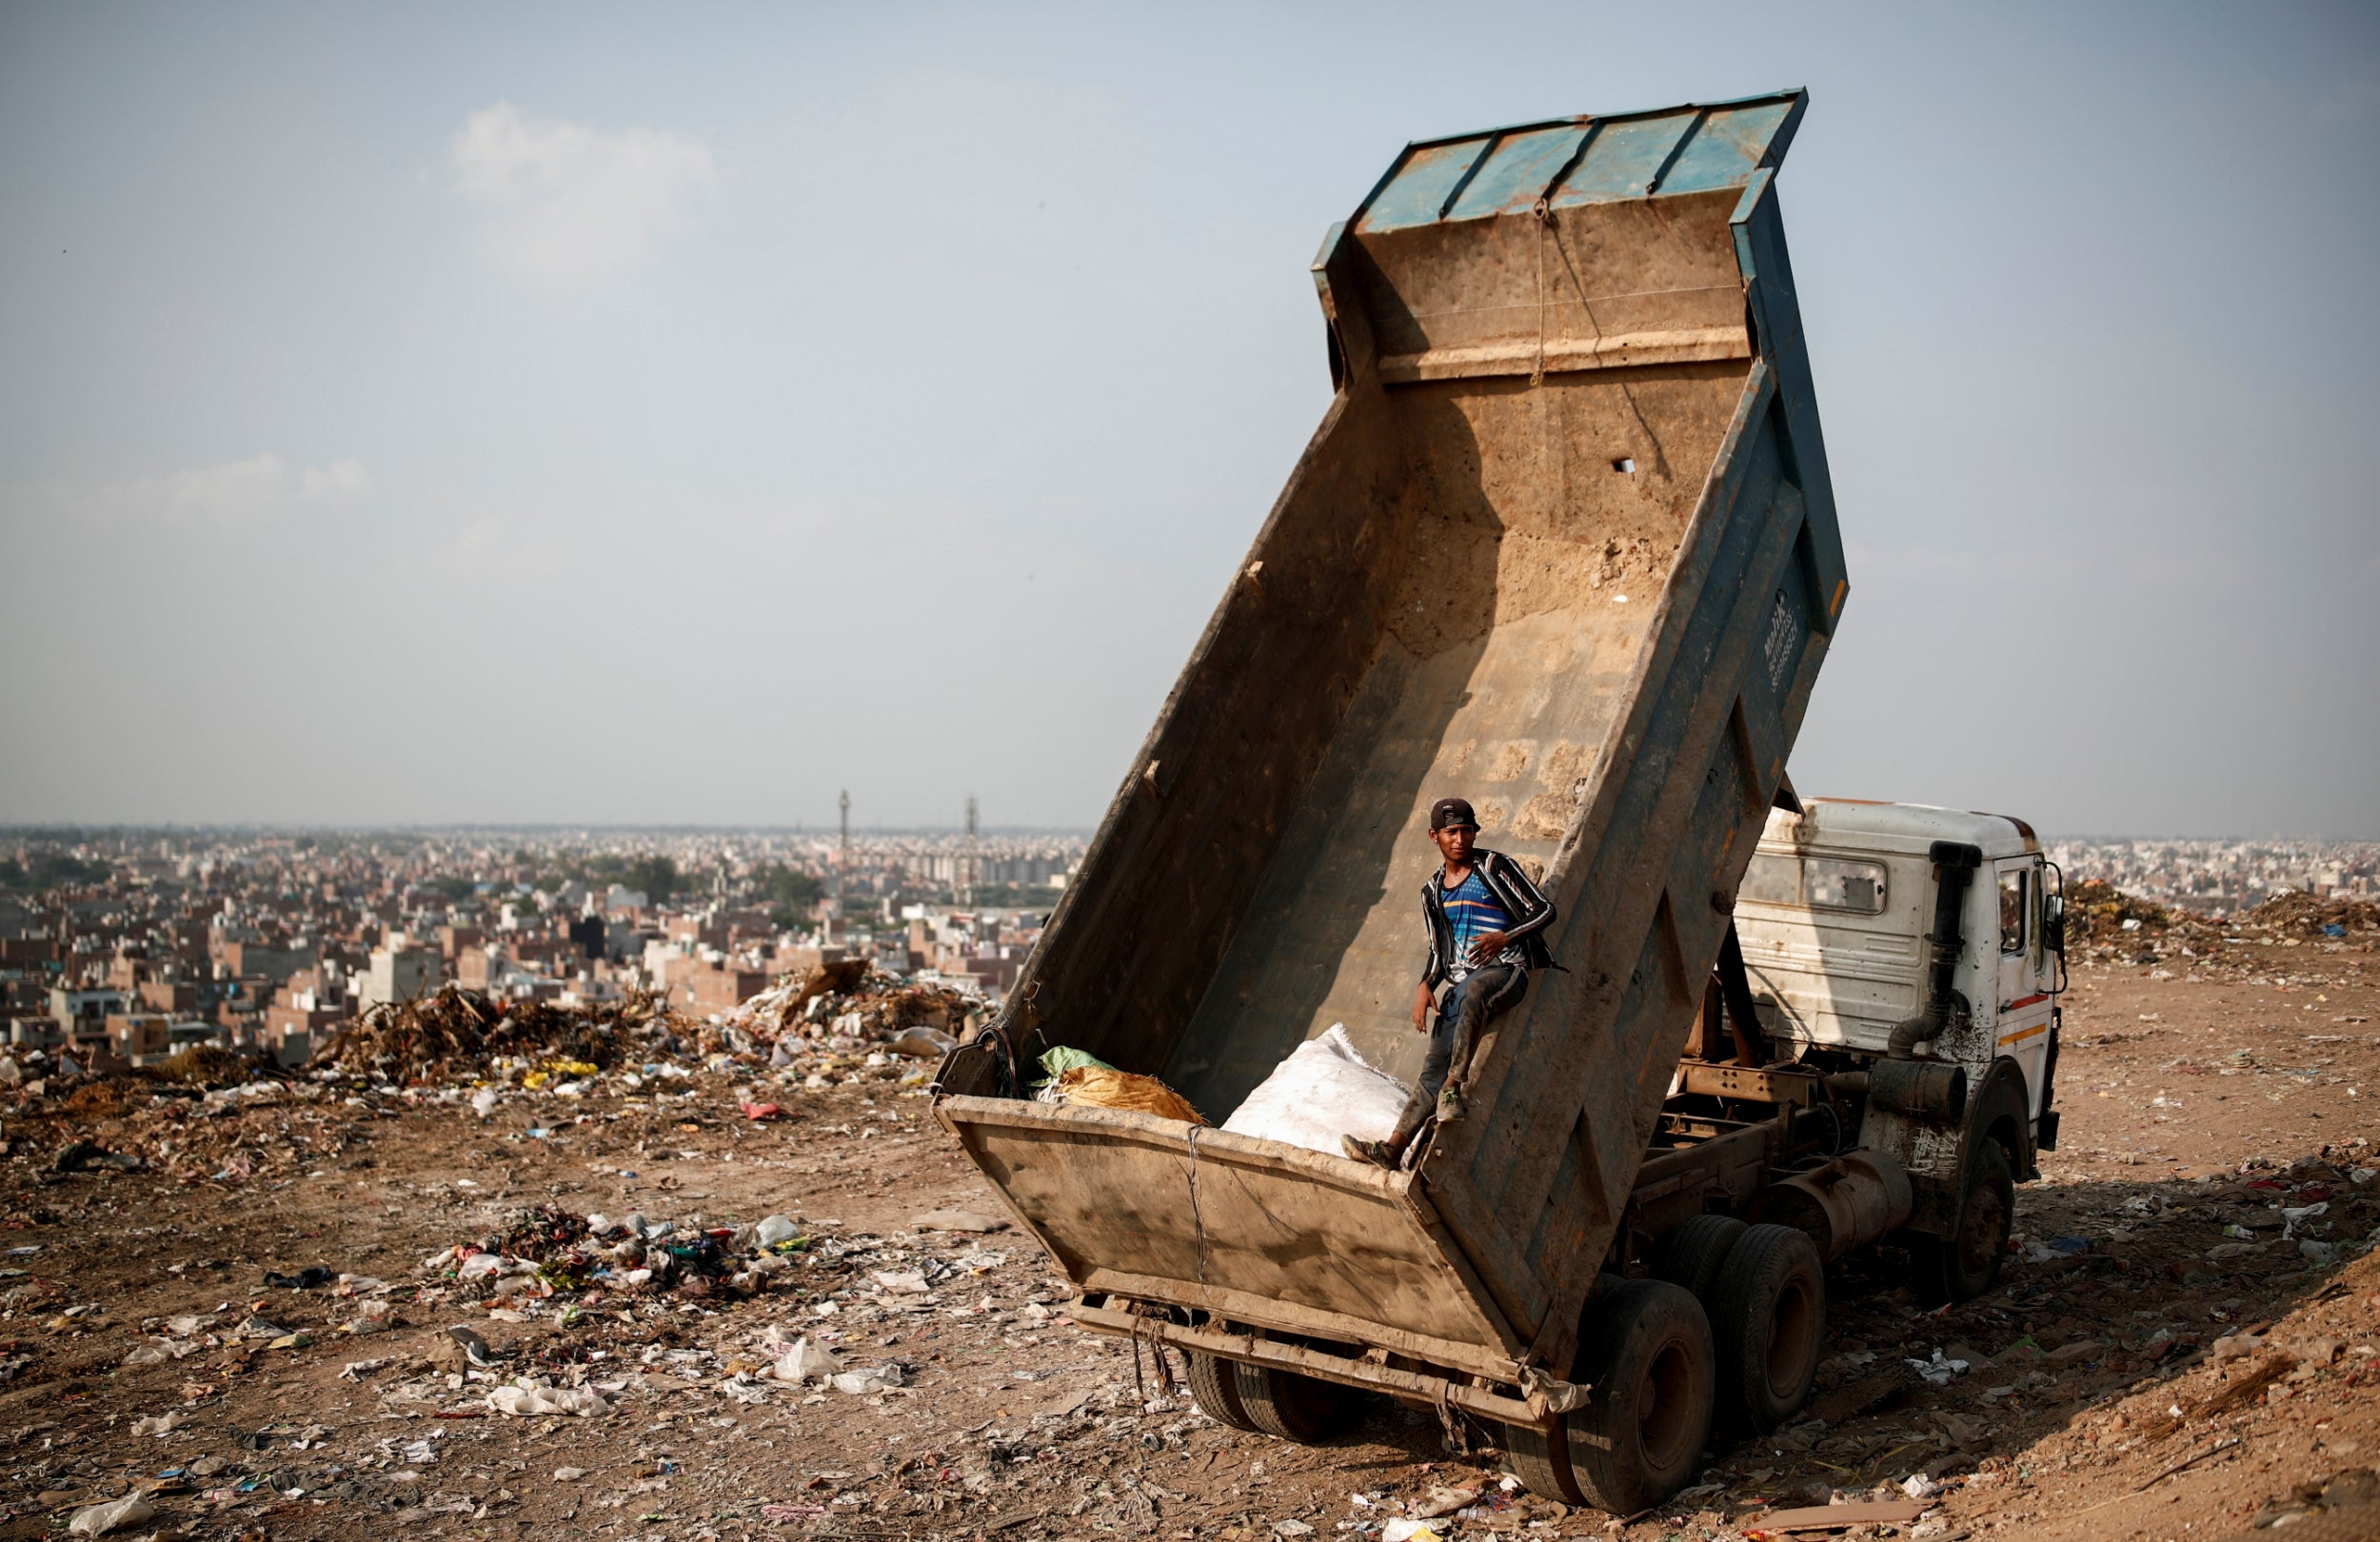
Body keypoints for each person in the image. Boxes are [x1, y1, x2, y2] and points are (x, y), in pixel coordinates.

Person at [1343, 797, 1556, 1169]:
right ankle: (1393, 1148)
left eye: (1466, 830)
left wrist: (1505, 938)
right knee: (1431, 1067)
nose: (1460, 839)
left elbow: (1544, 909)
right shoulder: (1432, 892)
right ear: (1434, 836)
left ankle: (1454, 1088)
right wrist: (1425, 983)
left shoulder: (1493, 866)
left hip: (1506, 970)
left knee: (1475, 991)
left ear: (1475, 832)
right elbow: (1440, 950)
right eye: (1451, 832)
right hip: (1459, 982)